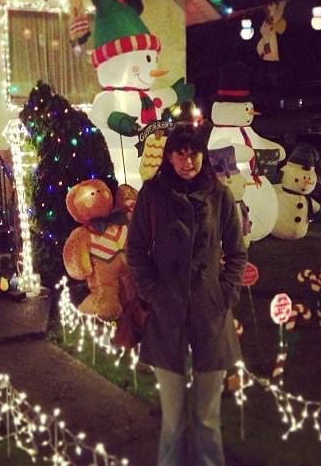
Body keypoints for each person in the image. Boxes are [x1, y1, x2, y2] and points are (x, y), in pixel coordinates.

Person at [127, 123, 247, 466]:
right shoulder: (153, 193)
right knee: (173, 419)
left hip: (211, 312)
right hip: (167, 314)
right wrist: (153, 291)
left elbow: (237, 252)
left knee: (208, 418)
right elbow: (135, 250)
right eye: (179, 152)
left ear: (202, 154)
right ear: (168, 156)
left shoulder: (219, 194)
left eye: (193, 151)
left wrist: (225, 294)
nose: (187, 159)